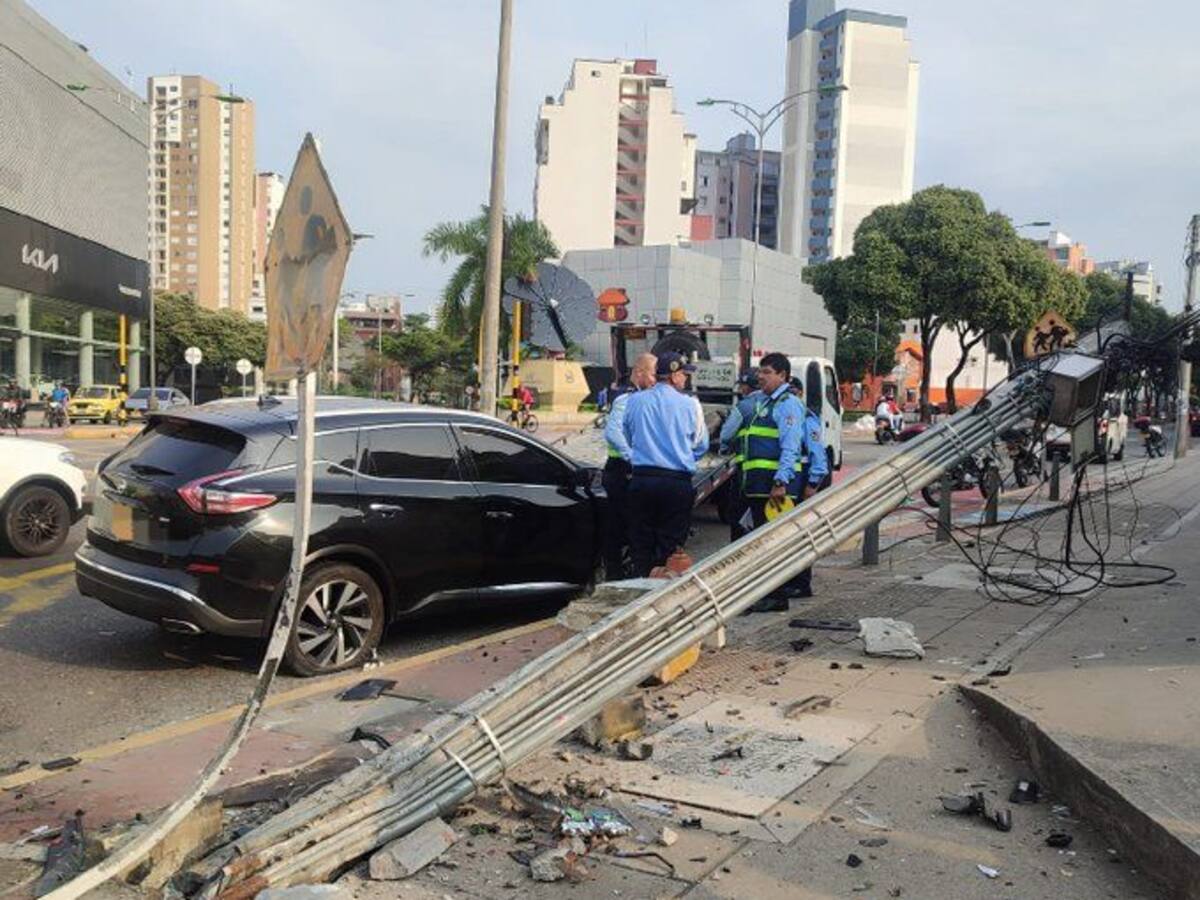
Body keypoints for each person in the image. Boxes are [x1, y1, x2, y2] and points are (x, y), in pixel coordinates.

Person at [737, 352, 828, 612]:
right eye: (760, 371)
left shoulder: (788, 404)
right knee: (764, 540)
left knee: (774, 541)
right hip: (758, 485)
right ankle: (770, 591)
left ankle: (776, 595)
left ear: (782, 376)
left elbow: (790, 447)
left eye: (766, 372)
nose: (760, 376)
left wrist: (781, 481)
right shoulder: (765, 403)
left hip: (775, 486)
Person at [620, 352, 708, 577]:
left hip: (642, 479)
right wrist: (681, 455)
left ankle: (642, 584)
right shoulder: (691, 405)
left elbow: (629, 437)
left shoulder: (635, 401)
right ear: (673, 375)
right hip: (676, 483)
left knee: (641, 542)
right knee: (671, 545)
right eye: (684, 374)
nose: (686, 379)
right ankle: (664, 594)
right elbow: (700, 445)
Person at [600, 353, 657, 579]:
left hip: (633, 471)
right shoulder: (627, 399)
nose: (655, 380)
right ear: (640, 372)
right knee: (620, 527)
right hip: (621, 472)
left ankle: (633, 573)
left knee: (636, 526)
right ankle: (616, 577)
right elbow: (613, 433)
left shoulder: (644, 398)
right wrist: (633, 458)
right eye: (653, 374)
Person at [719, 370, 761, 540]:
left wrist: (723, 448)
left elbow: (726, 435)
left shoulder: (744, 406)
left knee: (739, 516)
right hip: (771, 475)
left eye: (743, 386)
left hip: (746, 472)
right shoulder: (775, 404)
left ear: (747, 387)